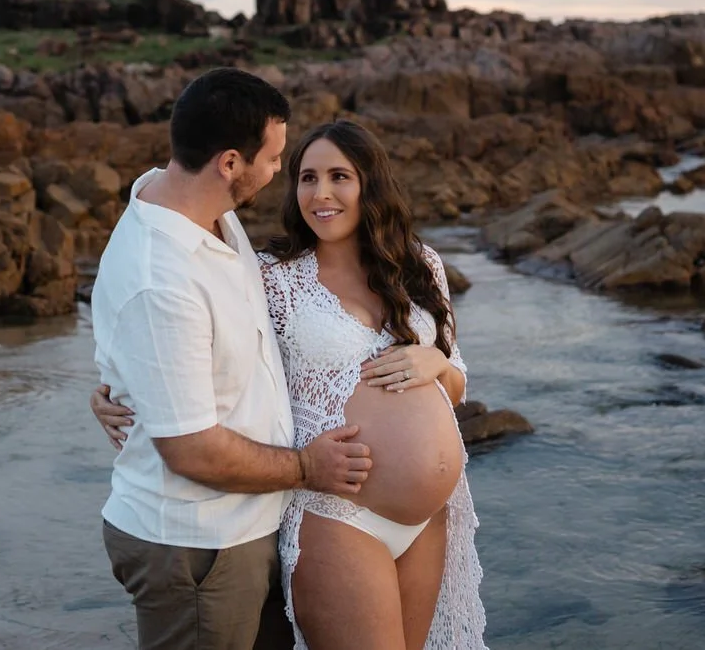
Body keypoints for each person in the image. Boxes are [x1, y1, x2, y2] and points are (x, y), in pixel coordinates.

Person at [97, 119, 487, 650]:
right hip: (340, 517)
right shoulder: (272, 278)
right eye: (306, 178)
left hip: (429, 521)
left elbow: (458, 383)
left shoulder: (420, 267)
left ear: (370, 184)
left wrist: (436, 366)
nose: (320, 194)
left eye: (338, 177)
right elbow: (187, 346)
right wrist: (113, 391)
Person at [91, 69, 374, 650]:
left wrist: (119, 381)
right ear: (228, 162)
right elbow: (191, 449)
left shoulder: (194, 205)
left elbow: (150, 349)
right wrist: (307, 468)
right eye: (272, 159)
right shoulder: (162, 279)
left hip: (249, 526)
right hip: (199, 543)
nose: (277, 172)